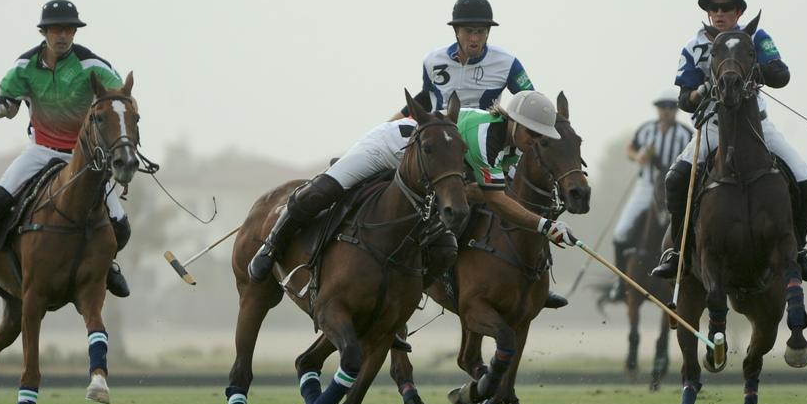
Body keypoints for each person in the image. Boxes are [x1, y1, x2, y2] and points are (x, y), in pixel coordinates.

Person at [247, 90, 579, 287]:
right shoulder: (485, 136)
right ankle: (272, 245)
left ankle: (400, 299)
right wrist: (546, 226)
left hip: (429, 172)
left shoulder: (514, 147)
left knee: (444, 247)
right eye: (532, 133)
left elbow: (492, 193)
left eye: (540, 137)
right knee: (323, 191)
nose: (535, 141)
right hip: (391, 147)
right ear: (514, 123)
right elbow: (498, 200)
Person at [0, 0, 134, 296]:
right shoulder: (24, 66)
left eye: (68, 29)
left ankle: (107, 266)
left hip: (82, 157)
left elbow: (118, 98)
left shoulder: (92, 65)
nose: (63, 35)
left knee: (120, 225)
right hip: (41, 150)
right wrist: (2, 107)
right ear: (44, 32)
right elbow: (11, 102)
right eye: (56, 29)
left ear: (74, 32)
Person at [393, 0, 569, 308]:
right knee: (406, 195)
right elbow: (424, 97)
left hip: (489, 142)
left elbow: (530, 100)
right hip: (444, 148)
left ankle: (538, 273)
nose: (474, 38)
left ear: (488, 33)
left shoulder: (508, 63)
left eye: (481, 31)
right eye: (468, 31)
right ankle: (415, 271)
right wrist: (390, 122)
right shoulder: (433, 60)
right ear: (456, 32)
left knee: (529, 195)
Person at [651, 0, 807, 282]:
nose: (719, 13)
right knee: (675, 180)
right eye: (713, 8)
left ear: (739, 11)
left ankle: (799, 248)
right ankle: (678, 250)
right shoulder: (693, 46)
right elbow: (684, 101)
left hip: (757, 126)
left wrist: (756, 70)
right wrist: (703, 89)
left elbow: (781, 74)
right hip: (714, 127)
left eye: (726, 7)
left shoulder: (757, 37)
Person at [607, 89, 694, 301]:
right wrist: (638, 156)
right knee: (620, 233)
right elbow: (631, 149)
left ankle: (687, 280)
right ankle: (620, 282)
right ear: (657, 109)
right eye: (662, 107)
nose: (666, 111)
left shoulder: (686, 134)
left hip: (673, 191)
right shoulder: (646, 130)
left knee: (688, 232)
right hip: (645, 187)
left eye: (671, 107)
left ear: (676, 110)